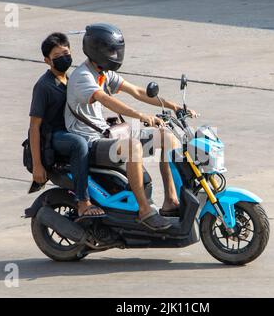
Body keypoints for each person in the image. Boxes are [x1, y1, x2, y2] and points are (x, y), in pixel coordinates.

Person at [65, 23, 198, 231]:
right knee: (133, 146)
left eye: (116, 50)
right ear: (96, 50)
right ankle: (145, 210)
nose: (115, 54)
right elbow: (105, 100)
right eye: (111, 50)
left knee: (167, 137)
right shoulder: (83, 77)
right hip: (89, 141)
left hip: (105, 134)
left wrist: (173, 106)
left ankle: (171, 200)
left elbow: (136, 91)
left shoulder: (103, 73)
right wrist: (140, 116)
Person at [29, 32, 104, 218]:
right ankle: (82, 202)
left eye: (66, 54)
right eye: (57, 57)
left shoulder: (72, 79)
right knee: (79, 143)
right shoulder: (44, 86)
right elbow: (34, 127)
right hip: (54, 136)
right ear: (47, 60)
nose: (64, 59)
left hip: (73, 129)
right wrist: (38, 166)